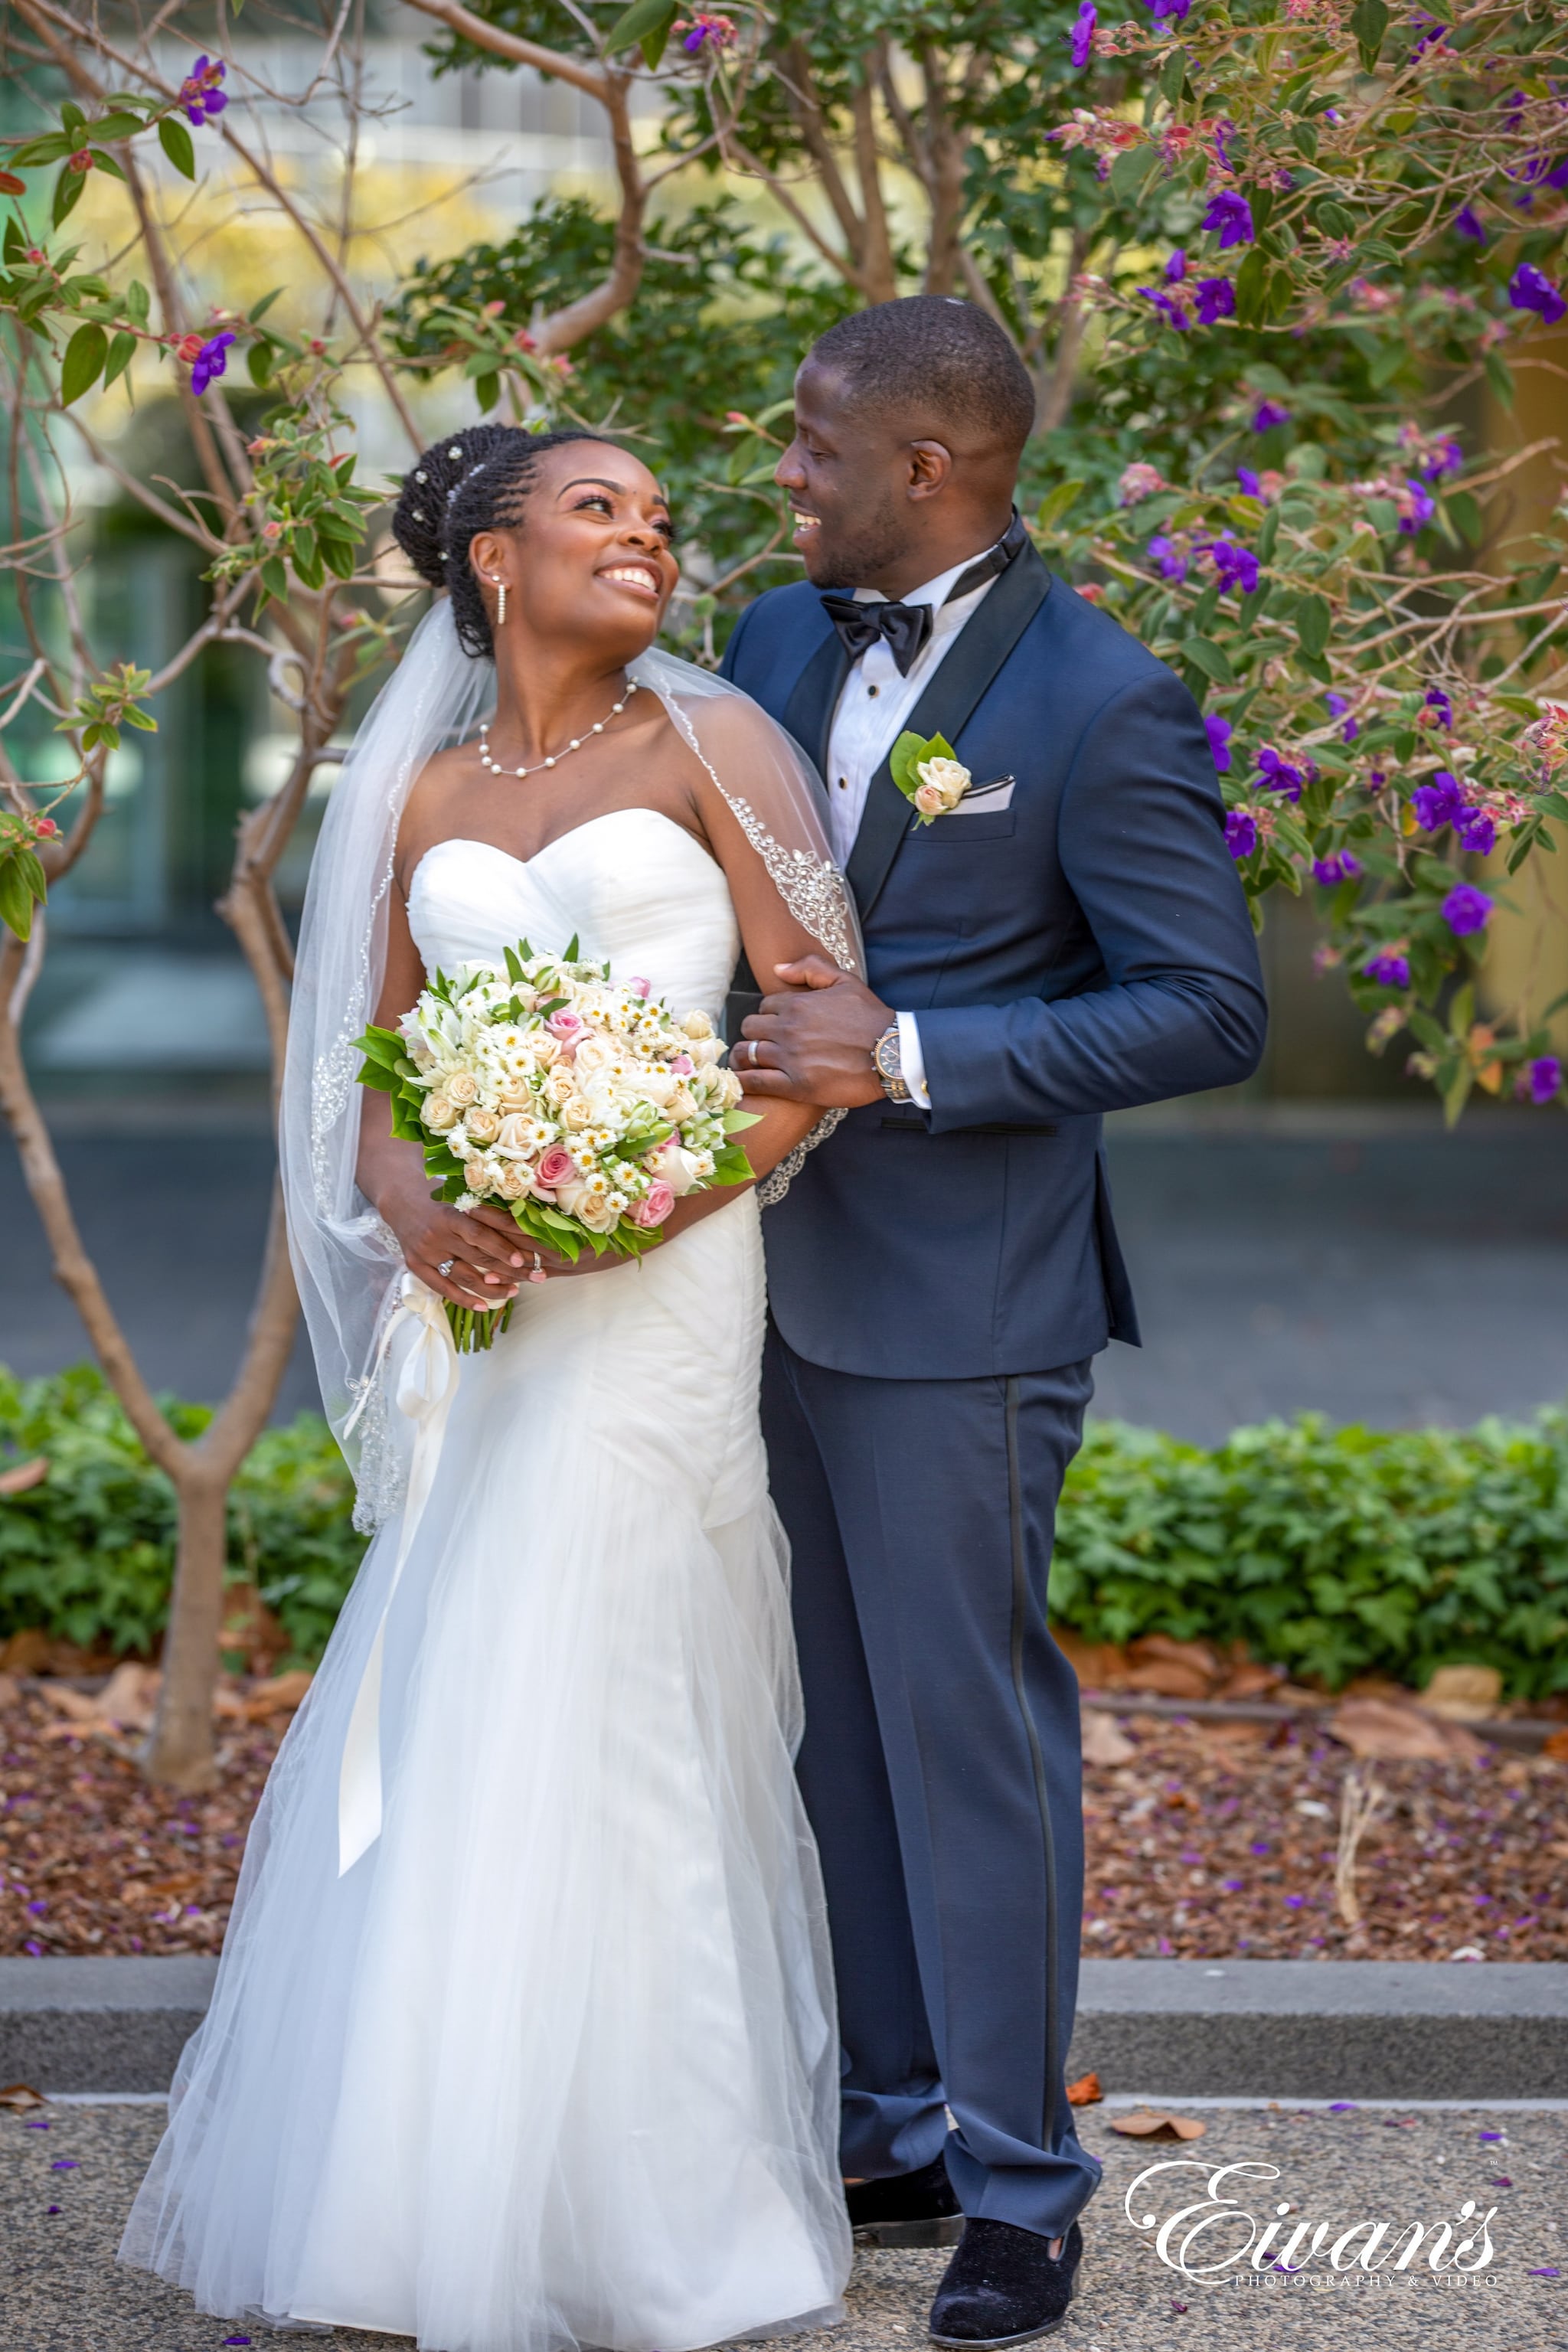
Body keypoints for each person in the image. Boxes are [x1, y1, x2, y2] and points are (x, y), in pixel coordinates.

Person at [119, 423, 860, 2350]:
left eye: (658, 518)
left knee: (618, 1685)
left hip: (667, 1274)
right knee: (466, 1674)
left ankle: (663, 2219)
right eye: (598, 510)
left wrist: (635, 1197)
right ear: (491, 563)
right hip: (490, 1295)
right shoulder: (424, 778)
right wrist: (411, 1202)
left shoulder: (717, 747)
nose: (648, 540)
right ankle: (415, 2196)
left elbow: (815, 1045)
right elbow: (374, 1072)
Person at [721, 296, 1268, 2346]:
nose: (786, 474)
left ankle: (1023, 2188)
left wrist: (917, 1050)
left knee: (971, 1746)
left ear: (928, 470)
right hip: (739, 1279)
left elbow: (1210, 1007)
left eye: (812, 444)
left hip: (965, 1305)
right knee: (829, 1737)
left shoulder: (1111, 699)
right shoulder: (777, 647)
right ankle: (889, 2128)